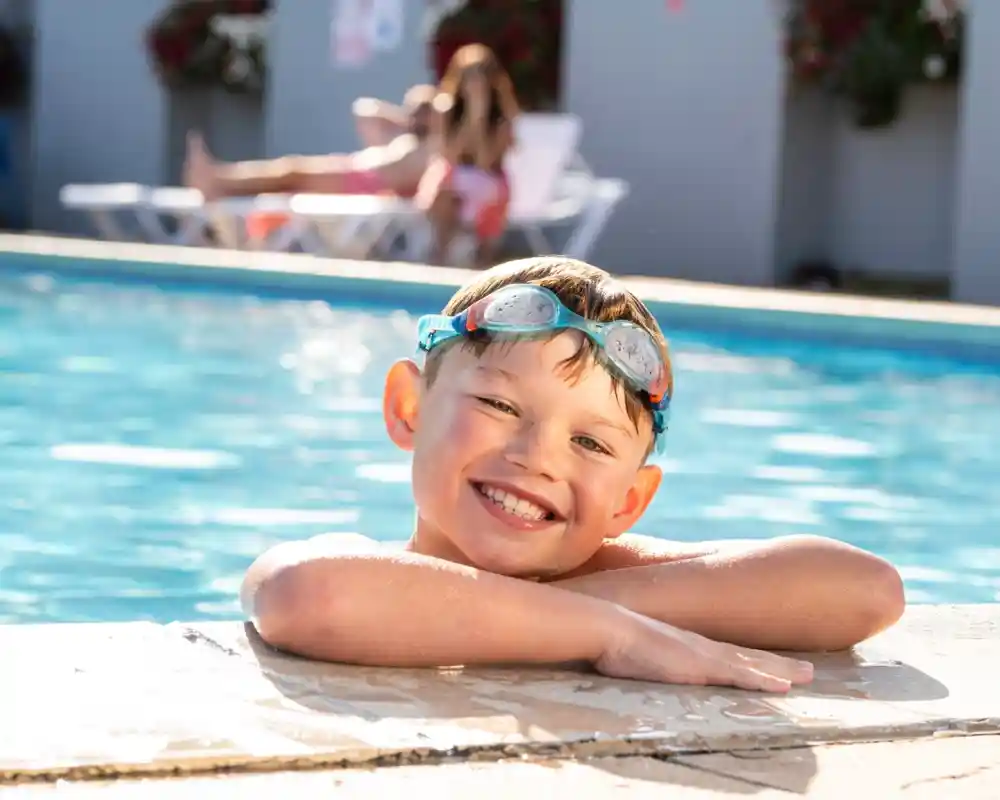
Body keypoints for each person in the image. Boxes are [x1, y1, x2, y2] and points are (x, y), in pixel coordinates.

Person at [241, 256, 905, 693]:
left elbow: (866, 589)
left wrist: (589, 607)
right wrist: (606, 633)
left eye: (589, 441)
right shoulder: (360, 563)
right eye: (499, 405)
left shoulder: (609, 571)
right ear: (408, 408)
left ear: (628, 502)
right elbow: (306, 597)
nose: (537, 456)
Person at [183, 84, 438, 201]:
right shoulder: (403, 138)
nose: (414, 113)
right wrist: (404, 118)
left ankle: (219, 181)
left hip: (361, 182)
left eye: (420, 109)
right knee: (289, 171)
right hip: (353, 171)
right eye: (411, 108)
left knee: (291, 172)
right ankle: (219, 179)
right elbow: (363, 110)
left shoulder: (431, 148)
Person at [417, 44, 519, 267]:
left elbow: (485, 161)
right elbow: (449, 156)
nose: (475, 85)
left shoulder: (502, 119)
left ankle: (480, 261)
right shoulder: (446, 110)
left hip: (488, 181)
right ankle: (439, 258)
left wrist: (480, 117)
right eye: (469, 78)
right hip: (451, 177)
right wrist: (468, 120)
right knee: (446, 192)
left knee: (481, 195)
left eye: (480, 78)